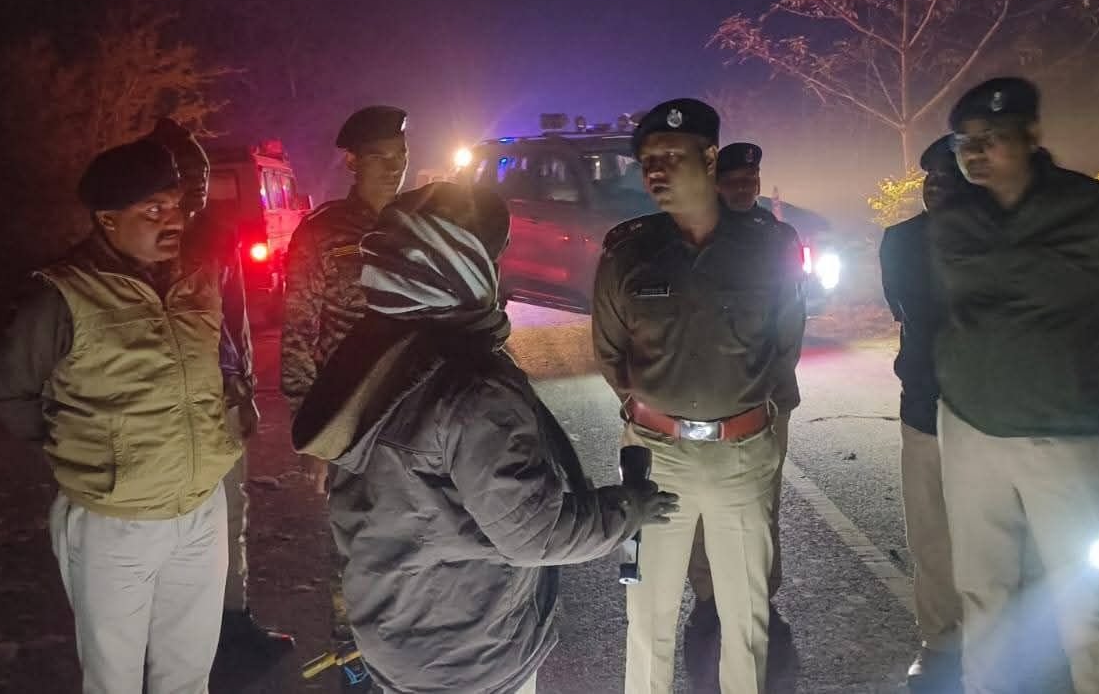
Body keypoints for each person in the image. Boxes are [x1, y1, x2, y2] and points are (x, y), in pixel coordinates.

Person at [291, 183, 678, 694]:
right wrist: (629, 508)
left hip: (399, 629)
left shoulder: (375, 351)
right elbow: (537, 534)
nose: (502, 274)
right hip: (468, 652)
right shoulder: (472, 389)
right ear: (459, 266)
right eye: (493, 258)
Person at [0, 130, 241, 693]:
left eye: (176, 205)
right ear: (107, 219)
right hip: (115, 523)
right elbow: (9, 395)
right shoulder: (62, 295)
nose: (173, 220)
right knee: (113, 679)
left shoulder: (198, 278)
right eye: (153, 209)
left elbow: (220, 367)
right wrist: (86, 451)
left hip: (201, 508)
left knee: (189, 673)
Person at [930, 76, 1099, 693]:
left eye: (991, 137)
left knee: (1088, 602)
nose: (975, 153)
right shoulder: (954, 219)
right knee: (983, 592)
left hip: (1063, 433)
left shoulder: (1098, 210)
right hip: (970, 425)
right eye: (964, 143)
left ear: (1032, 134)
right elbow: (949, 312)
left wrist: (1082, 377)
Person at [594, 98, 805, 694]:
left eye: (671, 156)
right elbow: (610, 354)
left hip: (742, 456)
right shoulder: (629, 252)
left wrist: (741, 411)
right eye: (647, 161)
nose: (656, 170)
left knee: (747, 618)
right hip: (655, 460)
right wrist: (660, 412)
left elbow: (784, 347)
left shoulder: (767, 248)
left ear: (710, 158)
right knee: (647, 617)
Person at [144, 119, 292, 659]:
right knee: (163, 524)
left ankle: (231, 621)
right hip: (157, 411)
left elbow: (236, 322)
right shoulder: (130, 244)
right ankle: (171, 634)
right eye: (186, 177)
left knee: (229, 512)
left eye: (202, 177)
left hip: (218, 399)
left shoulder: (217, 235)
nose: (198, 188)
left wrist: (245, 386)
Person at [276, 106, 408, 688]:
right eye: (380, 157)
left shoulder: (421, 223)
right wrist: (310, 433)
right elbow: (299, 330)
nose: (393, 167)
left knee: (417, 541)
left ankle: (407, 662)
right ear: (352, 162)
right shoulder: (321, 233)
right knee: (352, 550)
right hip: (348, 419)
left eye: (400, 155)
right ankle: (356, 669)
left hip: (414, 415)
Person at [879, 135, 965, 690]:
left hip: (990, 413)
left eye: (950, 178)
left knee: (992, 535)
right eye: (931, 178)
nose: (936, 187)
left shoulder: (1000, 238)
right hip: (924, 403)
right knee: (930, 532)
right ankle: (940, 641)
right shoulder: (901, 241)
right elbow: (905, 312)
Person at [716, 142, 772, 218]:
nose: (741, 187)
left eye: (748, 179)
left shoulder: (771, 222)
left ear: (758, 184)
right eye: (732, 181)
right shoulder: (703, 222)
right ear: (717, 186)